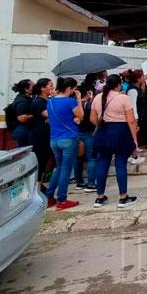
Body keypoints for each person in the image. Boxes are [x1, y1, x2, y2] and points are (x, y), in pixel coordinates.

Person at [90, 74, 139, 208]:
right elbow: (131, 120)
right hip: (120, 132)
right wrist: (134, 139)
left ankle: (100, 197)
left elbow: (93, 119)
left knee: (102, 163)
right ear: (118, 85)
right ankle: (123, 197)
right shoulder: (124, 98)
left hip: (103, 132)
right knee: (120, 164)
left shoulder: (97, 97)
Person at [45, 77, 83, 210]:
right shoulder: (70, 101)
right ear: (69, 88)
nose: (74, 91)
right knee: (66, 169)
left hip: (54, 139)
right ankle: (62, 199)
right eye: (74, 89)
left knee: (59, 168)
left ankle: (49, 196)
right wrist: (79, 99)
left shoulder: (50, 102)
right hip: (68, 138)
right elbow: (81, 115)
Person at [29, 78, 54, 192]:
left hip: (47, 134)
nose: (52, 88)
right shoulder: (38, 102)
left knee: (45, 160)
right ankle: (37, 186)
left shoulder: (46, 101)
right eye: (50, 86)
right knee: (41, 160)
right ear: (42, 88)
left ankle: (41, 183)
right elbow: (50, 114)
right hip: (40, 136)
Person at [73, 81, 98, 193]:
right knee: (91, 158)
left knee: (78, 158)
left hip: (77, 133)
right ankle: (91, 183)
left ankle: (79, 181)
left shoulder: (74, 106)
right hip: (89, 133)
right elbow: (94, 119)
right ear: (87, 94)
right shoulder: (89, 105)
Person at [125, 69, 147, 164]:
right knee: (132, 137)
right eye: (142, 76)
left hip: (136, 116)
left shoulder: (136, 88)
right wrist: (135, 119)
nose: (144, 78)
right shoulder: (132, 90)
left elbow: (143, 92)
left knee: (132, 137)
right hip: (133, 117)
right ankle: (134, 157)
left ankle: (131, 155)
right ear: (138, 79)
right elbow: (132, 106)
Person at [10, 79, 34, 147]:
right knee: (24, 153)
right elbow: (22, 118)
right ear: (26, 89)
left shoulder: (28, 98)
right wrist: (36, 115)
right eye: (33, 86)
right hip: (23, 131)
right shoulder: (22, 102)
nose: (35, 87)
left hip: (26, 130)